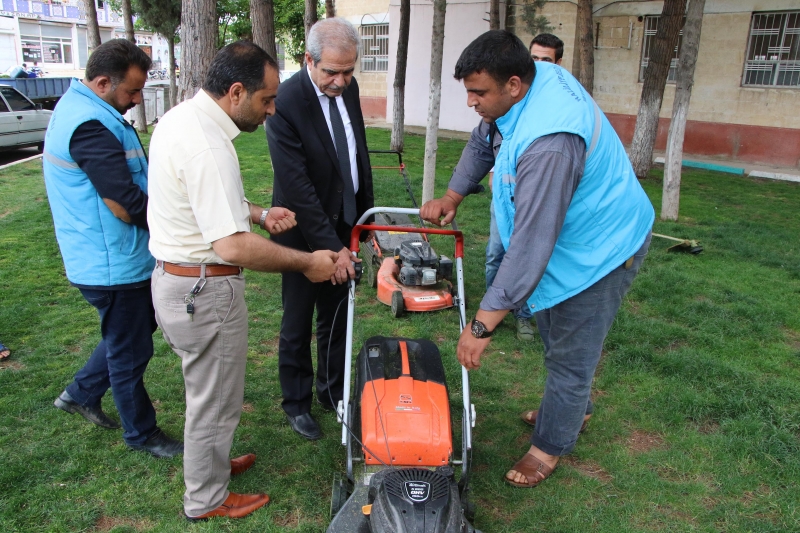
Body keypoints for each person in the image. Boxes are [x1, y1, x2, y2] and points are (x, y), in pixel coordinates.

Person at [420, 30, 654, 489]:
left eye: (478, 92)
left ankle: (549, 447)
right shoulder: (529, 81)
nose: (471, 102)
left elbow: (531, 244)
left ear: (513, 84)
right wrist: (453, 193)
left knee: (570, 355)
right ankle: (572, 408)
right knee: (557, 333)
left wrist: (483, 325)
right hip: (569, 241)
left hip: (602, 250)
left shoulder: (551, 142)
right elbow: (483, 140)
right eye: (467, 90)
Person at [147, 41, 338, 521]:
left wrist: (257, 211)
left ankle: (209, 466)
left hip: (177, 282)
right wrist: (306, 262)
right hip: (204, 290)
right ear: (236, 92)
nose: (272, 110)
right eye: (266, 100)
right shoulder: (208, 146)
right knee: (214, 402)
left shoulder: (182, 118)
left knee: (206, 395)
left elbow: (201, 202)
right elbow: (232, 246)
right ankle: (206, 499)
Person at [43, 39, 182, 459]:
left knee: (130, 332)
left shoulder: (90, 111)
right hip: (110, 264)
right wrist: (173, 223)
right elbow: (123, 203)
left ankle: (80, 393)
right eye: (132, 91)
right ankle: (142, 434)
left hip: (110, 258)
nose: (137, 100)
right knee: (130, 349)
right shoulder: (89, 124)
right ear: (103, 82)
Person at [265, 18, 374, 441]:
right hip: (300, 230)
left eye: (349, 72)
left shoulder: (349, 88)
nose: (341, 81)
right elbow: (297, 187)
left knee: (338, 313)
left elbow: (357, 152)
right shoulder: (287, 99)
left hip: (345, 220)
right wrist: (331, 248)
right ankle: (296, 402)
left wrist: (364, 226)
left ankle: (333, 393)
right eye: (331, 72)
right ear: (308, 60)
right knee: (298, 318)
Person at [484, 33, 566, 343]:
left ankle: (523, 315)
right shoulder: (510, 95)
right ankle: (492, 309)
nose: (539, 65)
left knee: (528, 256)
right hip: (505, 193)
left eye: (546, 60)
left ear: (558, 64)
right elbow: (491, 138)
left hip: (536, 196)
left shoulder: (555, 102)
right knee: (496, 253)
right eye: (534, 58)